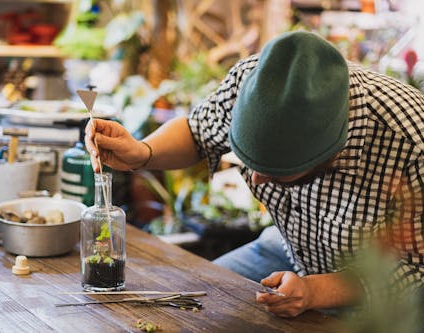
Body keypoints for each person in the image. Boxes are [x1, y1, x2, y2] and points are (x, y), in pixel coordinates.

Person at [85, 31, 423, 318]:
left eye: (277, 173)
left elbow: (415, 272)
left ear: (331, 155)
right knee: (191, 305)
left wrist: (316, 291)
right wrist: (142, 153)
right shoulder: (258, 81)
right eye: (249, 162)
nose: (257, 181)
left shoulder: (411, 143)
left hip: (377, 288)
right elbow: (199, 132)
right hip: (288, 249)